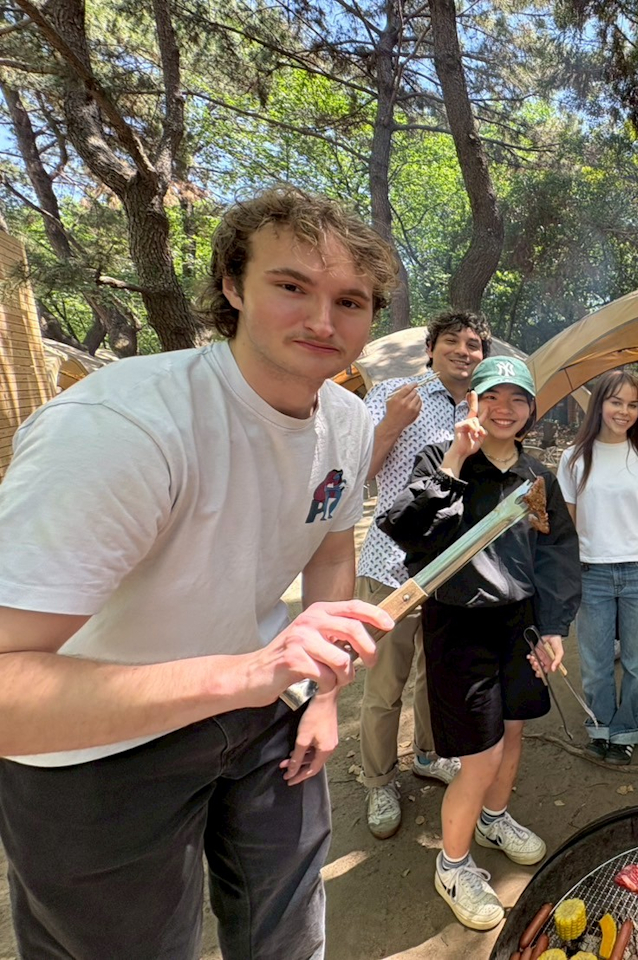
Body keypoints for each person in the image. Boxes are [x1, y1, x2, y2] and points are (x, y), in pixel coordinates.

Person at [0, 185, 401, 958]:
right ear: (232, 285)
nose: (323, 322)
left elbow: (329, 548)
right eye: (292, 286)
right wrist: (250, 672)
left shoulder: (347, 420)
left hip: (262, 711)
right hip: (92, 753)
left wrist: (319, 696)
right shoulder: (125, 427)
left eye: (350, 301)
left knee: (288, 925)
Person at [378, 355, 580, 931]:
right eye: (491, 397)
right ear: (472, 402)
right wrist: (456, 460)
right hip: (458, 625)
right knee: (480, 753)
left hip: (519, 624)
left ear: (531, 410)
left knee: (513, 734)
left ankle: (494, 817)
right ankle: (452, 865)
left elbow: (557, 553)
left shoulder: (538, 477)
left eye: (517, 399)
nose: (503, 409)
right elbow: (409, 532)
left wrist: (554, 626)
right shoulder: (441, 460)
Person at [355, 310, 491, 840]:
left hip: (450, 572)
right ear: (430, 350)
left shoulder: (486, 404)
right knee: (384, 685)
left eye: (473, 344)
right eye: (451, 341)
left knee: (437, 675)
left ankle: (429, 755)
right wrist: (392, 423)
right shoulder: (395, 393)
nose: (463, 350)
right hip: (390, 566)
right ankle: (379, 780)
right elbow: (358, 474)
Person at [559, 370, 638, 765]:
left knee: (637, 662)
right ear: (599, 404)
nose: (624, 411)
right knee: (595, 663)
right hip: (591, 572)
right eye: (616, 402)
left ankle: (625, 732)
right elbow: (567, 525)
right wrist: (564, 578)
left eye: (632, 405)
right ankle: (600, 728)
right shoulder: (574, 458)